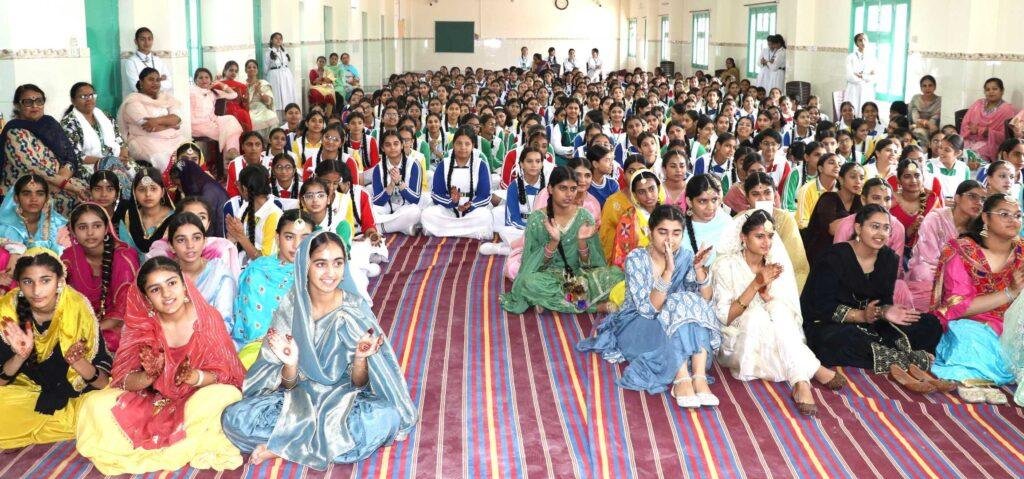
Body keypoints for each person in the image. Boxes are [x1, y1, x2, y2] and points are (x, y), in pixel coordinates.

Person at [221, 231, 417, 469]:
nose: (330, 273)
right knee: (233, 418)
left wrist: (360, 358)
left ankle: (282, 446)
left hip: (345, 401)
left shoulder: (354, 308)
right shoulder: (291, 307)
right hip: (296, 401)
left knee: (385, 417)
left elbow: (360, 383)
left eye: (338, 263)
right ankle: (312, 443)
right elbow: (283, 384)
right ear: (305, 266)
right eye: (321, 264)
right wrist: (290, 363)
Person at [75, 257, 246, 475]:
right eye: (155, 289)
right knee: (94, 404)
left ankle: (174, 445)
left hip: (196, 399)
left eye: (172, 283)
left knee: (226, 396)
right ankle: (180, 444)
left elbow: (227, 374)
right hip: (152, 401)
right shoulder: (142, 326)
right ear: (146, 298)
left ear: (184, 285)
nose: (166, 294)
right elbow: (124, 380)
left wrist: (194, 377)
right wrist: (148, 376)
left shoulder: (207, 317)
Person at [578, 205, 720, 408]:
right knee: (676, 301)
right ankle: (681, 378)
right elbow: (648, 310)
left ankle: (699, 377)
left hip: (675, 325)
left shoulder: (686, 256)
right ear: (650, 232)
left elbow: (704, 301)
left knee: (689, 301)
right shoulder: (636, 259)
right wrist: (668, 272)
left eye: (676, 233)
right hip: (638, 326)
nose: (669, 239)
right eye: (662, 232)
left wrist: (698, 269)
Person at [713, 209, 846, 417]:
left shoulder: (775, 265)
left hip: (773, 331)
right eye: (759, 236)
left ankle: (800, 382)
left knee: (779, 310)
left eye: (770, 236)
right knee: (756, 316)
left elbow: (788, 311)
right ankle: (812, 367)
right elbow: (725, 317)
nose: (766, 242)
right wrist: (755, 285)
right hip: (739, 337)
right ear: (743, 237)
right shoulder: (725, 266)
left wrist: (767, 298)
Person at [801, 205, 943, 387]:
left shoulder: (888, 259)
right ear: (858, 228)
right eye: (875, 227)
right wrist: (861, 315)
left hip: (872, 323)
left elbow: (882, 302)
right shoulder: (833, 257)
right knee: (840, 340)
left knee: (930, 324)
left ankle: (895, 356)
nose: (881, 233)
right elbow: (820, 307)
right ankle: (906, 359)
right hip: (829, 323)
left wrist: (885, 311)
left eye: (886, 228)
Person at [0, 249, 111, 449]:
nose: (36, 291)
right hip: (24, 396)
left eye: (45, 280)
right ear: (19, 284)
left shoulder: (77, 308)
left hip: (74, 398)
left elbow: (103, 383)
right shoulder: (8, 311)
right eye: (28, 281)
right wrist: (19, 356)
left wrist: (78, 363)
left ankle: (47, 426)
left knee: (107, 404)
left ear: (60, 280)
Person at [931, 194, 1024, 404]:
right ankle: (971, 378)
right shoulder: (962, 251)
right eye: (1004, 214)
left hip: (1013, 326)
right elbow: (958, 307)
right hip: (971, 323)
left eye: (1018, 215)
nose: (1013, 220)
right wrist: (1009, 293)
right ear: (985, 217)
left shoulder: (1022, 252)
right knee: (969, 337)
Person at [501, 166, 623, 314]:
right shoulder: (537, 220)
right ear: (550, 189)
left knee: (617, 275)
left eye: (573, 189)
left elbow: (592, 265)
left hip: (578, 275)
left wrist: (582, 242)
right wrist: (553, 242)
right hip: (548, 276)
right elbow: (532, 264)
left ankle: (550, 301)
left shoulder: (585, 217)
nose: (569, 194)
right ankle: (594, 307)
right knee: (529, 283)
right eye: (563, 188)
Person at [232, 209, 314, 359]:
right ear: (277, 238)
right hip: (256, 348)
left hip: (303, 349)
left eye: (305, 238)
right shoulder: (257, 271)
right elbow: (250, 324)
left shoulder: (316, 273)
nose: (296, 245)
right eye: (289, 237)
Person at [61, 203, 139, 352]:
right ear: (73, 232)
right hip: (81, 322)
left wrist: (91, 331)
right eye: (82, 227)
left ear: (106, 228)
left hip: (117, 324)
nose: (90, 233)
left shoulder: (124, 258)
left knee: (111, 340)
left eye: (96, 226)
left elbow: (125, 308)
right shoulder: (69, 257)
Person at [1, 84, 86, 216]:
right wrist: (66, 185)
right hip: (27, 189)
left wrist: (63, 179)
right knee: (75, 202)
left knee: (90, 192)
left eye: (39, 101)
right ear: (17, 105)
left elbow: (69, 156)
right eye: (28, 102)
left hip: (58, 183)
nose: (35, 106)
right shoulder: (14, 132)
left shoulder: (49, 124)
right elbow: (34, 168)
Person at [905, 181, 985, 311]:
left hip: (959, 278)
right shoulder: (935, 218)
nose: (979, 203)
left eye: (983, 199)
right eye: (972, 196)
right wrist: (949, 278)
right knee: (925, 273)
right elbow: (928, 258)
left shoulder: (979, 229)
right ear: (957, 198)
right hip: (930, 272)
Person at [162, 213, 237, 337]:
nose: (190, 245)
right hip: (170, 339)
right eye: (181, 240)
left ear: (204, 241)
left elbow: (225, 323)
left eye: (196, 238)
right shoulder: (163, 275)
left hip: (212, 340)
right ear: (171, 246)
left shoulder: (219, 274)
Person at [422, 127, 493, 239]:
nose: (463, 147)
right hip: (448, 209)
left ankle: (447, 231)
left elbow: (485, 195)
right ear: (453, 145)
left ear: (473, 146)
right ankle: (467, 232)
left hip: (472, 211)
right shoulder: (444, 164)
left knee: (485, 216)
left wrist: (471, 205)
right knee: (428, 214)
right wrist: (451, 201)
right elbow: (436, 194)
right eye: (459, 143)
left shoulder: (480, 165)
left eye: (467, 144)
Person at [743, 172, 810, 291]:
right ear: (747, 198)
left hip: (782, 282)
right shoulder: (739, 221)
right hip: (745, 283)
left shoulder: (785, 219)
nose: (762, 199)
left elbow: (798, 265)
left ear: (774, 194)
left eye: (767, 193)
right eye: (755, 194)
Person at [60, 82, 133, 189]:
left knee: (140, 176)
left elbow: (120, 141)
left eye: (91, 95)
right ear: (73, 100)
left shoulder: (105, 115)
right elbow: (76, 156)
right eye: (83, 96)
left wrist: (124, 156)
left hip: (117, 159)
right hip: (90, 165)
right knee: (115, 181)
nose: (89, 99)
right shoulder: (69, 123)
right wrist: (107, 161)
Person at [119, 68, 186, 171]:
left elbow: (178, 118)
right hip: (146, 141)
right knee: (164, 161)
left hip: (173, 138)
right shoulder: (133, 102)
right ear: (141, 82)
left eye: (158, 80)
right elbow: (149, 126)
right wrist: (171, 125)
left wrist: (156, 121)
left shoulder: (165, 98)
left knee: (189, 153)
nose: (155, 83)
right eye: (151, 79)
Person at [802, 162, 864, 263]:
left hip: (846, 253)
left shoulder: (860, 201)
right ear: (841, 179)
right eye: (853, 177)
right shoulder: (828, 198)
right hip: (820, 253)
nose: (858, 181)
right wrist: (863, 217)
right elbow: (833, 229)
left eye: (861, 178)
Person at [224, 164, 283, 263]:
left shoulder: (274, 215)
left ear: (245, 189)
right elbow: (234, 241)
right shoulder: (245, 207)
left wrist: (241, 237)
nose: (237, 187)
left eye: (238, 184)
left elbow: (266, 262)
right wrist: (232, 239)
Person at [168, 146, 231, 237]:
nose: (180, 189)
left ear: (187, 180)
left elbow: (207, 226)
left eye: (180, 185)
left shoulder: (208, 193)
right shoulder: (200, 184)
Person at [0, 174, 69, 255]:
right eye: (26, 194)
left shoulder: (56, 224)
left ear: (46, 198)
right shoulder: (5, 227)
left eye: (40, 194)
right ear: (16, 198)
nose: (34, 199)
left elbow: (67, 256)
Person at [371, 130, 422, 235]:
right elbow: (377, 202)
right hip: (386, 209)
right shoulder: (378, 168)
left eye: (396, 144)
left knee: (415, 211)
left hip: (406, 208)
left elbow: (415, 199)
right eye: (388, 145)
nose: (392, 147)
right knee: (370, 210)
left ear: (402, 145)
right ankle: (403, 227)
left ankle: (379, 228)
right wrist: (391, 185)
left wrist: (399, 183)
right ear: (382, 148)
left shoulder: (413, 164)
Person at [115, 167, 175, 257]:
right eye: (142, 189)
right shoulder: (127, 216)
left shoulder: (175, 219)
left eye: (153, 189)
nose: (148, 194)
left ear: (162, 192)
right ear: (134, 193)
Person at [190, 68, 243, 160]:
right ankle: (232, 155)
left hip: (213, 121)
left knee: (231, 120)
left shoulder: (213, 92)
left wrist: (220, 84)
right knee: (230, 132)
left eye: (207, 77)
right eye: (200, 78)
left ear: (211, 80)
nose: (204, 80)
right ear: (195, 80)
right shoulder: (191, 91)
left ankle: (231, 154)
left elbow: (234, 95)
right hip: (197, 125)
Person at [960, 78, 1018, 161]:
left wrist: (986, 131)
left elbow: (1005, 136)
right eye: (987, 90)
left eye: (995, 89)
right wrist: (971, 130)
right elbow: (965, 122)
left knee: (976, 154)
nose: (991, 92)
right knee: (957, 148)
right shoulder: (978, 104)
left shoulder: (1007, 110)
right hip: (970, 138)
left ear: (1002, 91)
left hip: (990, 143)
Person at [891, 159, 943, 250]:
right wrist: (909, 231)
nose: (913, 180)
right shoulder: (891, 201)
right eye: (907, 176)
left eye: (917, 175)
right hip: (895, 251)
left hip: (927, 253)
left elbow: (941, 231)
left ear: (923, 178)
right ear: (898, 180)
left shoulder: (932, 200)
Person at [122, 27, 172, 97]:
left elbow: (169, 83)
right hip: (141, 100)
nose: (147, 42)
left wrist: (147, 84)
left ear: (152, 40)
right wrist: (159, 80)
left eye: (149, 39)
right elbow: (136, 87)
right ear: (136, 41)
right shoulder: (131, 62)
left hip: (159, 100)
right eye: (142, 39)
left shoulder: (158, 60)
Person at [795, 152, 840, 229]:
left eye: (840, 164)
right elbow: (802, 222)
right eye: (831, 163)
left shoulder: (842, 189)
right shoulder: (806, 189)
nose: (837, 166)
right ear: (820, 168)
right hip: (812, 232)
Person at [264, 32, 298, 121]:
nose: (278, 40)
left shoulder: (284, 51)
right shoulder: (268, 53)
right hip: (275, 76)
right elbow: (265, 69)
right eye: (276, 38)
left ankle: (287, 118)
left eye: (280, 38)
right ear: (271, 40)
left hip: (286, 76)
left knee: (287, 96)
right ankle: (278, 120)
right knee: (277, 97)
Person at [244, 59, 278, 137]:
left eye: (254, 67)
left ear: (257, 70)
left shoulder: (263, 83)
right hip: (248, 110)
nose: (252, 69)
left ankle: (269, 142)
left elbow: (269, 102)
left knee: (272, 116)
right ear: (245, 70)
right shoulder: (242, 85)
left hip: (262, 109)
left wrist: (259, 92)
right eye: (249, 67)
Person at [843, 33, 877, 112]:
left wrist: (862, 76)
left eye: (865, 40)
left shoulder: (872, 58)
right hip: (853, 90)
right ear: (856, 43)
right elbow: (849, 76)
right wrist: (867, 76)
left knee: (866, 112)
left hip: (867, 90)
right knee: (852, 112)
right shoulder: (850, 57)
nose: (863, 42)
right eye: (860, 40)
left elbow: (874, 78)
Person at [218, 61, 254, 132]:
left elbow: (245, 104)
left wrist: (244, 100)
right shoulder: (218, 85)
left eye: (236, 71)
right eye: (231, 70)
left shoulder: (242, 86)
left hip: (238, 110)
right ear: (225, 71)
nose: (234, 73)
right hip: (222, 110)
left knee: (243, 114)